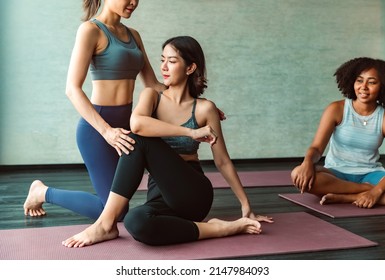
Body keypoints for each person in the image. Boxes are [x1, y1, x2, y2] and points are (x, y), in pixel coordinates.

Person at [62, 35, 273, 247]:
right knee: (136, 222)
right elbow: (136, 124)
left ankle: (105, 225)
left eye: (172, 61)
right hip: (160, 193)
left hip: (192, 193)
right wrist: (190, 132)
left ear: (190, 68)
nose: (163, 67)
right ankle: (220, 228)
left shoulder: (204, 108)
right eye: (162, 59)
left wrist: (246, 205)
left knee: (138, 141)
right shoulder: (152, 96)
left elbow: (223, 161)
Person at [23, 0, 165, 219]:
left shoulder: (134, 35)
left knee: (118, 205)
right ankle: (41, 192)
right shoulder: (90, 30)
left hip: (126, 127)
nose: (134, 2)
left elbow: (153, 85)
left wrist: (198, 103)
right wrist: (107, 131)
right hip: (97, 129)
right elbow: (72, 89)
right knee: (113, 212)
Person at [291, 57, 385, 209]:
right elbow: (316, 148)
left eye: (372, 82)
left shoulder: (383, 117)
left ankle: (347, 197)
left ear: (382, 86)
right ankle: (365, 192)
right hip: (336, 173)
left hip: (370, 173)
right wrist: (307, 162)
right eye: (359, 80)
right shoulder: (337, 109)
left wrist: (378, 190)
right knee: (297, 175)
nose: (363, 87)